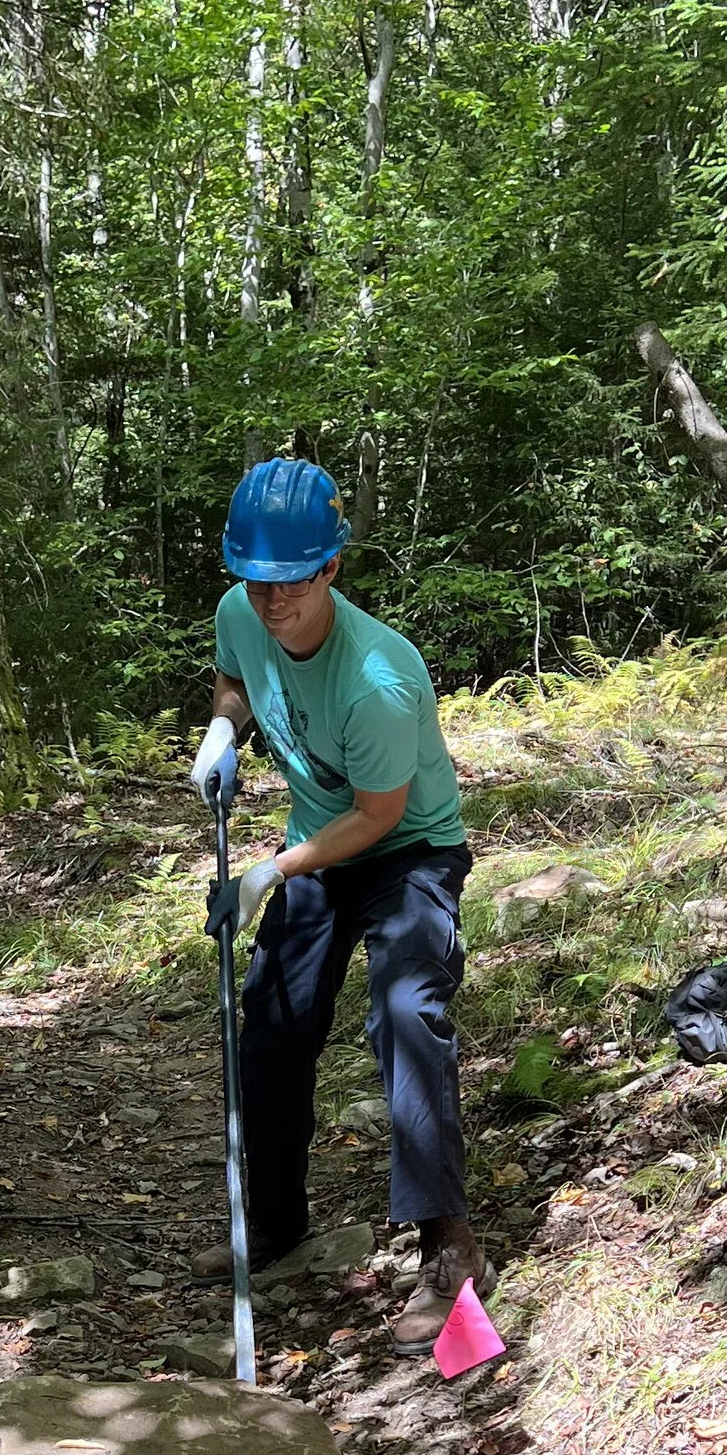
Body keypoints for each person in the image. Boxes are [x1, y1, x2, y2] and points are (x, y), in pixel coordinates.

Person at [197, 454, 482, 1350]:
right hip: (320, 840)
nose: (272, 599)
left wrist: (271, 872)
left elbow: (379, 816)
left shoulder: (381, 677)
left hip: (406, 849)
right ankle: (277, 1221)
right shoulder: (242, 611)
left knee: (406, 1009)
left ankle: (449, 1252)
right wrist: (223, 727)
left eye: (292, 580)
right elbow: (235, 674)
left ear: (330, 568)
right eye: (256, 578)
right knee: (273, 1018)